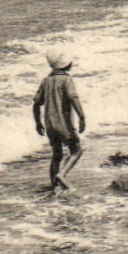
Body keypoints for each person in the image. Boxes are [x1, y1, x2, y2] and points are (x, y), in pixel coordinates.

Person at [32, 51, 87, 191]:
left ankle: (54, 187)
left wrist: (38, 123)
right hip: (64, 124)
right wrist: (82, 117)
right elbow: (73, 98)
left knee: (57, 155)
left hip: (50, 125)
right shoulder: (66, 80)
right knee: (77, 150)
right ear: (66, 65)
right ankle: (62, 175)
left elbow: (36, 104)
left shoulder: (46, 81)